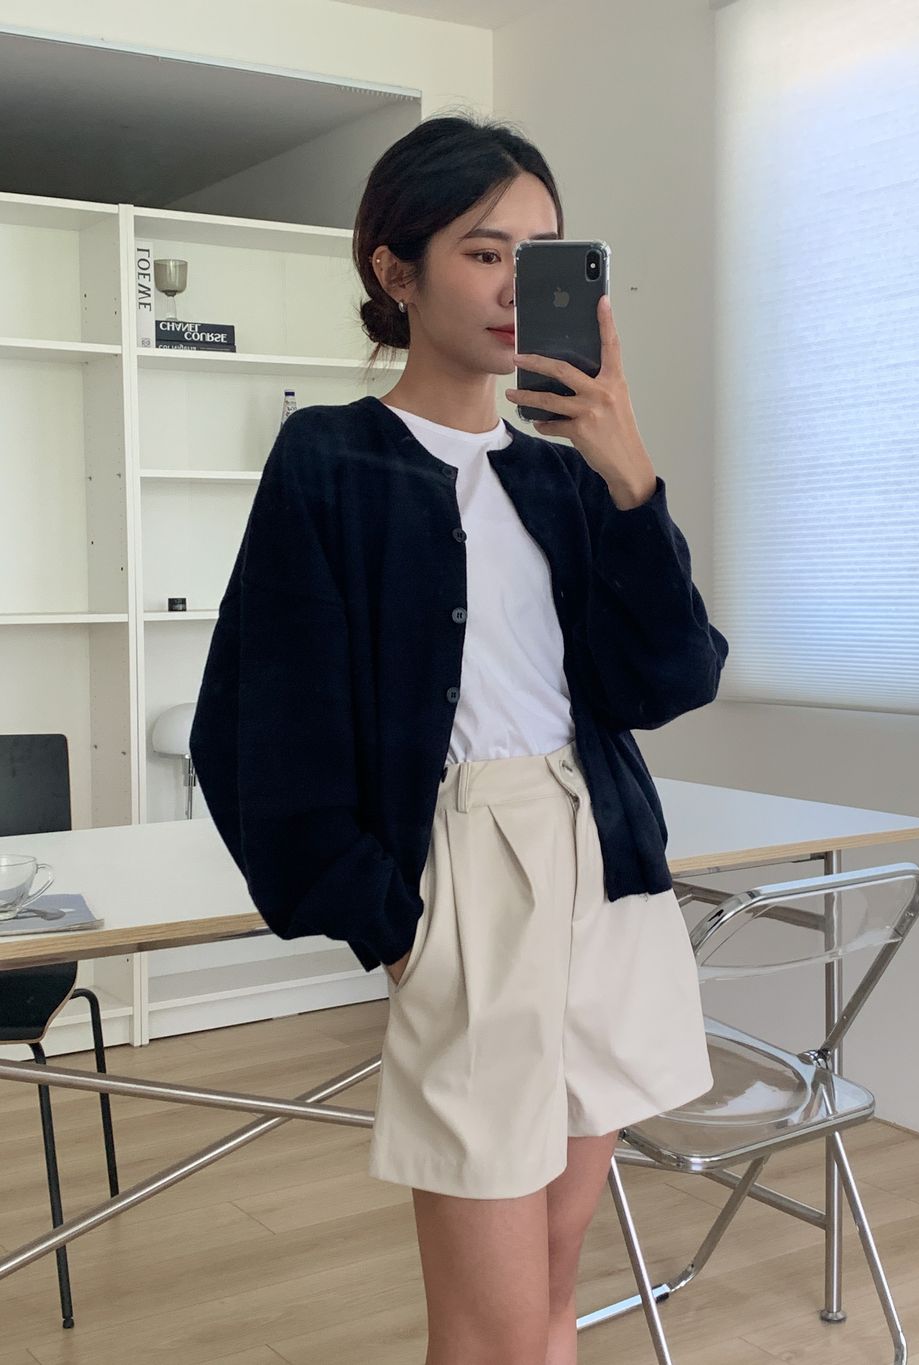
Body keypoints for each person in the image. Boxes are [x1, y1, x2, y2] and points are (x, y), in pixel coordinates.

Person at [190, 110, 728, 1365]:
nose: (515, 289)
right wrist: (390, 926)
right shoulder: (330, 458)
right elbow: (257, 726)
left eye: (541, 257)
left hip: (608, 870)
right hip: (460, 880)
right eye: (485, 253)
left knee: (549, 1291)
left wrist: (629, 474)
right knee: (487, 1330)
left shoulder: (564, 475)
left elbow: (670, 678)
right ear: (397, 268)